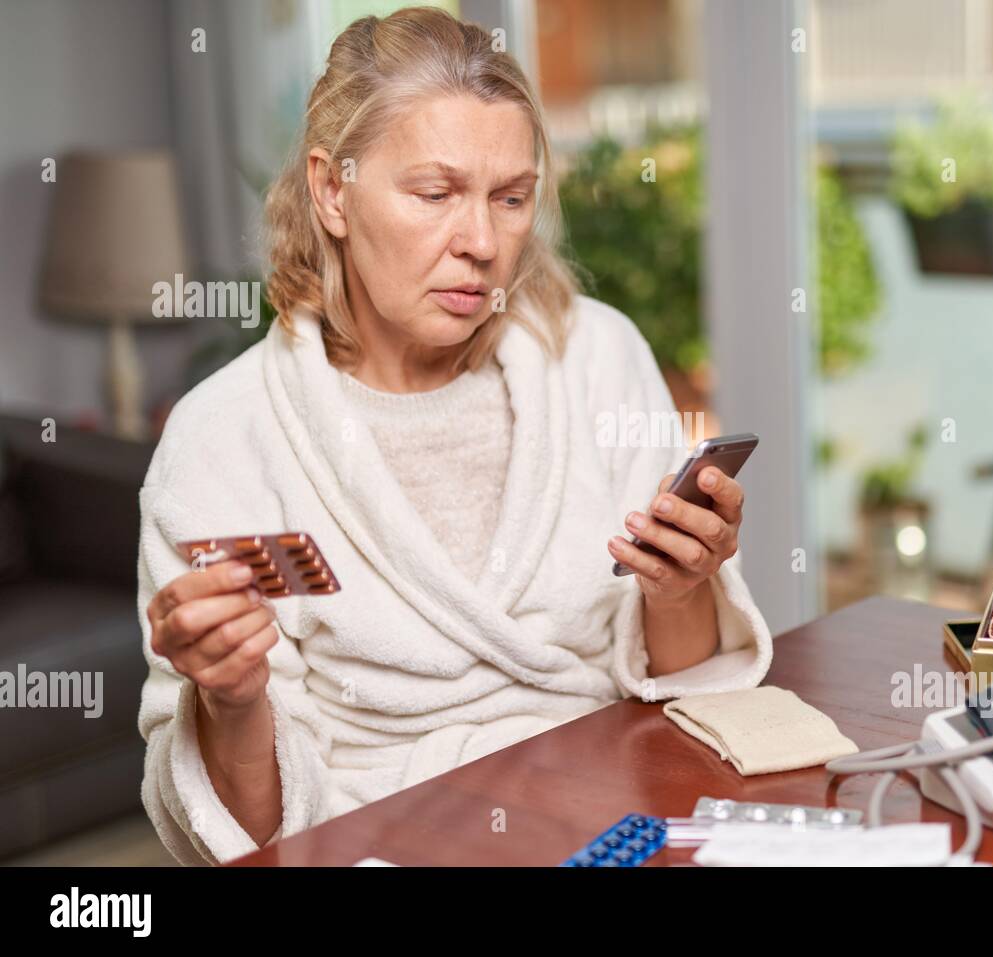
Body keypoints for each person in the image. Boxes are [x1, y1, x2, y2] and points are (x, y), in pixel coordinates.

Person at [137, 6, 772, 866]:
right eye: (434, 194)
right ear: (332, 190)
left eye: (511, 199)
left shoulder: (595, 356)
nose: (481, 242)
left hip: (614, 810)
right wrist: (232, 701)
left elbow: (677, 687)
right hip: (382, 839)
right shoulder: (225, 437)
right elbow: (247, 842)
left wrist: (682, 588)